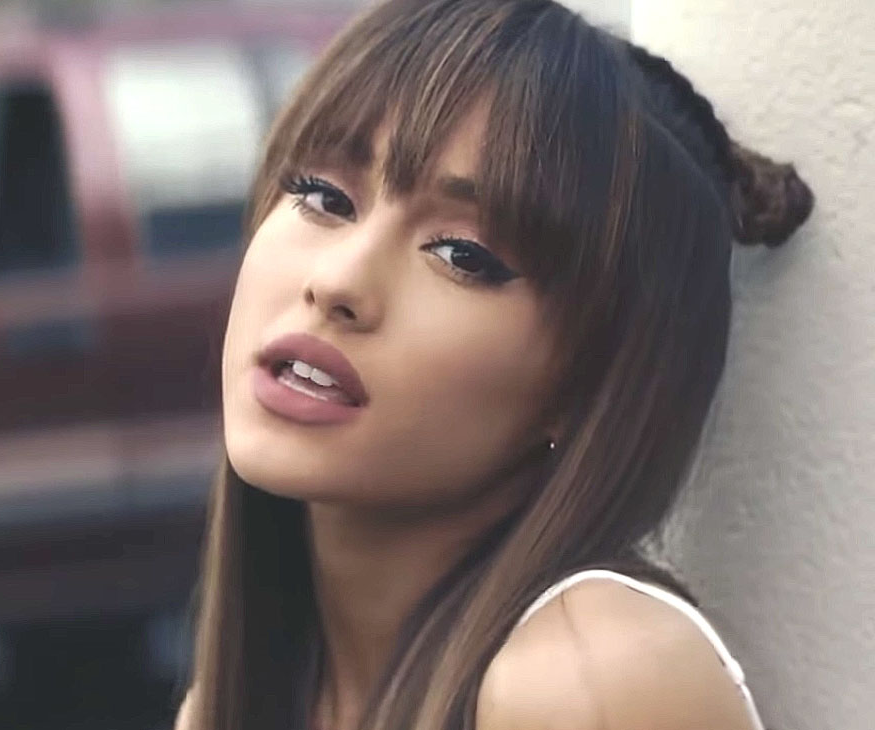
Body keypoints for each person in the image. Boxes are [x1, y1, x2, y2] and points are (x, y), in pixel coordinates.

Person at [175, 1, 814, 730]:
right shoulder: (227, 705)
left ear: (586, 384)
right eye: (325, 197)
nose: (338, 282)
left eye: (463, 255)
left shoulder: (584, 687)